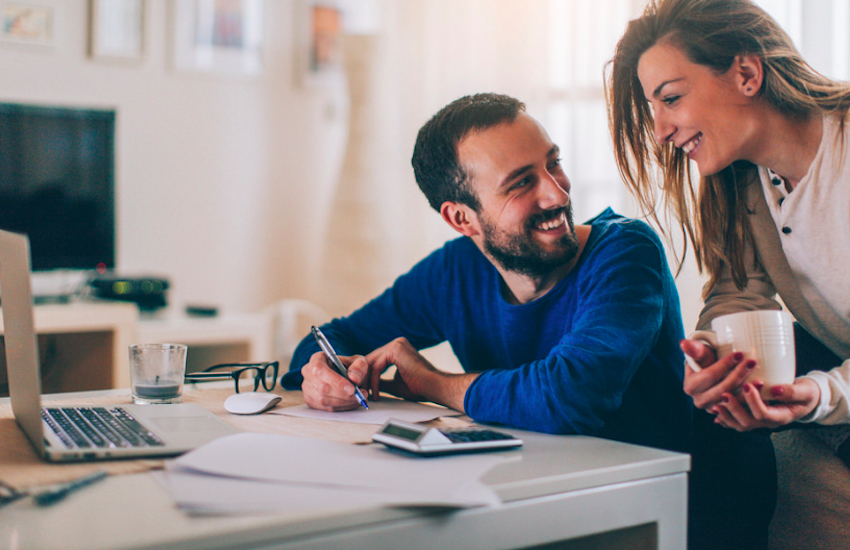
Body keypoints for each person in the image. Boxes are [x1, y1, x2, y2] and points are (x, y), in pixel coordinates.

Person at [282, 93, 691, 456]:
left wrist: (431, 383)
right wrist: (321, 374)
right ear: (461, 218)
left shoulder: (626, 253)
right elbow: (333, 339)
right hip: (529, 491)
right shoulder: (455, 272)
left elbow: (570, 396)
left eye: (554, 164)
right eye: (521, 183)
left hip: (659, 509)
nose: (557, 193)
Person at [607, 0, 850, 548]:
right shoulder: (743, 184)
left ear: (746, 72)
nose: (662, 129)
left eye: (671, 98)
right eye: (653, 107)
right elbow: (736, 293)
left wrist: (818, 393)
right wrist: (716, 359)